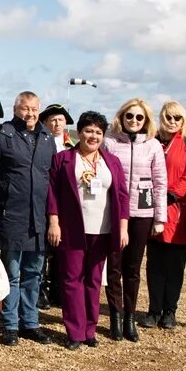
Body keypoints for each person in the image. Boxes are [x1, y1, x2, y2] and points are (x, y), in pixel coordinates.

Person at [47, 111, 129, 350]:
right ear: (79, 133)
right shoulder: (63, 159)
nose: (93, 136)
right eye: (88, 131)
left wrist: (122, 228)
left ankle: (89, 329)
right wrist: (54, 223)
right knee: (72, 280)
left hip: (103, 230)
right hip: (72, 229)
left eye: (98, 132)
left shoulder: (111, 162)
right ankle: (74, 332)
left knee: (94, 281)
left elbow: (122, 197)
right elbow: (52, 193)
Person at [0, 92, 56, 346]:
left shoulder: (48, 139)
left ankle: (31, 322)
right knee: (12, 274)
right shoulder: (1, 138)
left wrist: (53, 219)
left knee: (34, 273)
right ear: (16, 110)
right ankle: (10, 325)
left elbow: (52, 180)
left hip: (38, 219)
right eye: (25, 108)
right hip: (11, 217)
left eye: (34, 109)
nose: (30, 113)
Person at [102, 98, 167, 343]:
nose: (134, 121)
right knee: (114, 267)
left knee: (133, 268)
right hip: (114, 212)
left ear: (146, 121)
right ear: (122, 116)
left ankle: (130, 317)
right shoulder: (109, 142)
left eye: (139, 117)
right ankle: (115, 318)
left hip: (142, 213)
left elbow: (160, 183)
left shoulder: (153, 145)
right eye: (130, 116)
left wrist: (160, 217)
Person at [141, 101, 186, 329]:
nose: (172, 122)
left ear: (183, 121)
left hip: (178, 213)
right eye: (168, 117)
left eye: (177, 118)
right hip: (153, 211)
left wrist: (168, 196)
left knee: (174, 266)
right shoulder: (151, 142)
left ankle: (170, 311)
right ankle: (154, 310)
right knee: (154, 264)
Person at [38, 103, 76, 310]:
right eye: (52, 119)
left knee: (64, 250)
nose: (56, 123)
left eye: (60, 119)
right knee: (44, 250)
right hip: (45, 202)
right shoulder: (41, 143)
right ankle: (41, 289)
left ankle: (59, 290)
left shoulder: (72, 146)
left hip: (67, 206)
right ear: (44, 123)